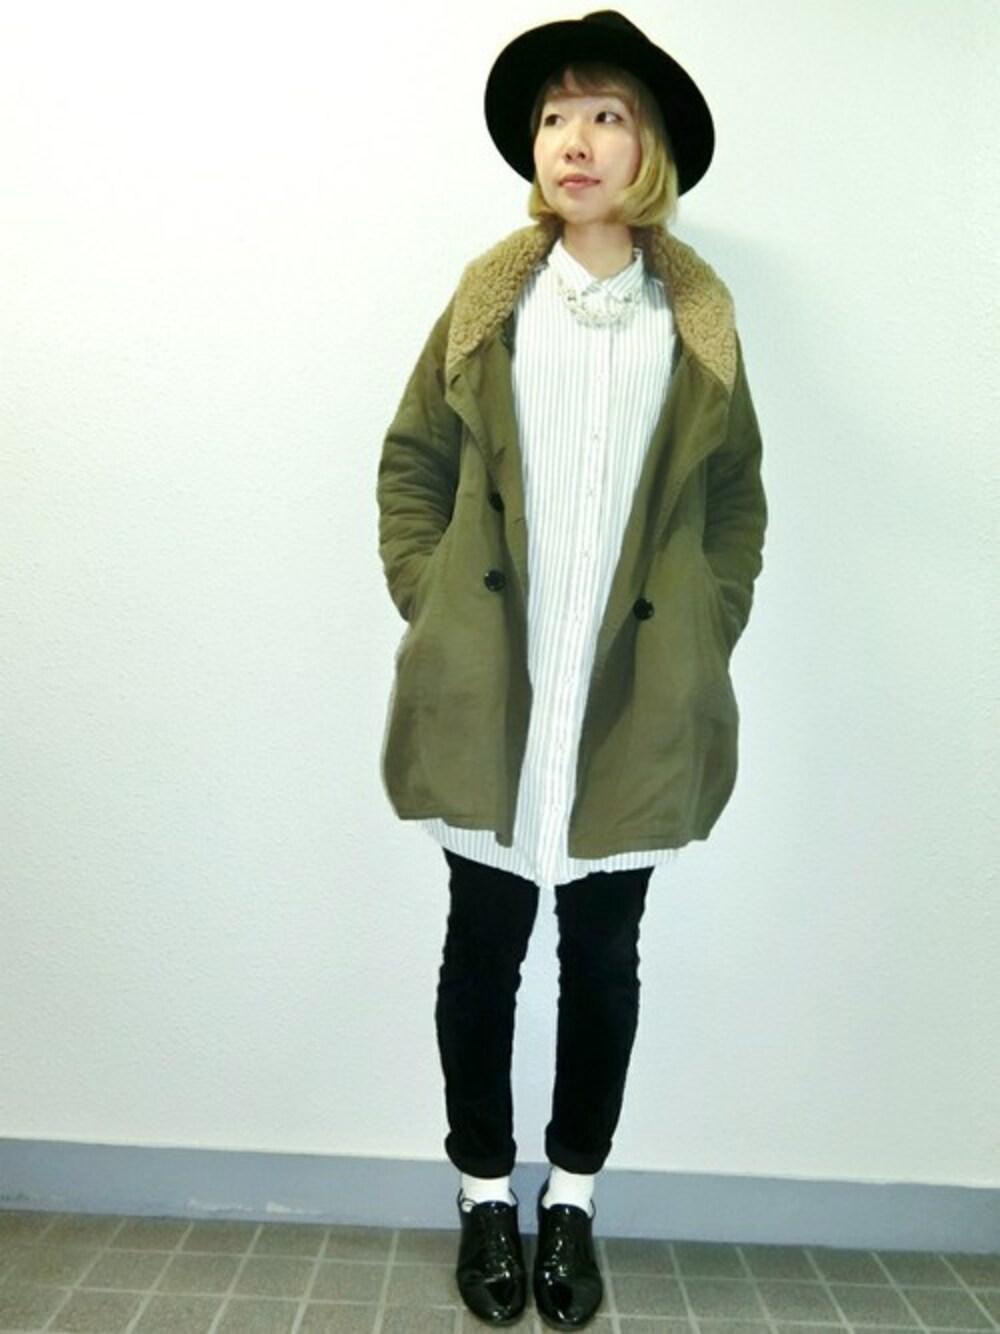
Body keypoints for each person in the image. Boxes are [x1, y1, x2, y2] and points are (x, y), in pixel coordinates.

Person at [377, 10, 766, 1328]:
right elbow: (413, 465)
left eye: (606, 115)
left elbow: (736, 502)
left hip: (633, 702)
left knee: (604, 959)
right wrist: (434, 606)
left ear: (649, 151)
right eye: (555, 117)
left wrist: (707, 623)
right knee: (481, 950)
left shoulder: (696, 324)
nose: (575, 140)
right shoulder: (488, 306)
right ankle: (487, 1192)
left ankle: (574, 1200)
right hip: (496, 693)